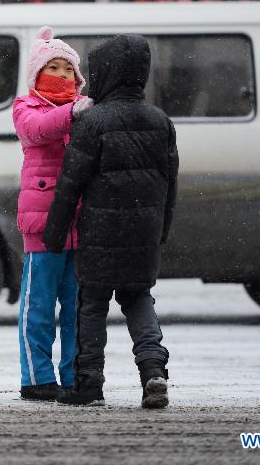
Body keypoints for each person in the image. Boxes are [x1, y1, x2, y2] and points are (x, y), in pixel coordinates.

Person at [42, 34, 178, 409]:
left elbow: (70, 185)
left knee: (91, 306)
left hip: (100, 234)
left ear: (107, 75)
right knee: (138, 300)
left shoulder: (94, 121)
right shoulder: (160, 121)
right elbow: (171, 184)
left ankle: (89, 383)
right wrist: (161, 230)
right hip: (144, 233)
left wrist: (54, 236)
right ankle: (153, 370)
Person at [13, 26, 93, 401]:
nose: (62, 76)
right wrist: (73, 113)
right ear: (37, 74)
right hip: (44, 227)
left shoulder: (85, 110)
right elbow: (37, 129)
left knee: (77, 309)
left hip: (80, 224)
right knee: (39, 308)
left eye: (68, 70)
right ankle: (36, 377)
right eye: (54, 68)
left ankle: (74, 376)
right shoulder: (26, 107)